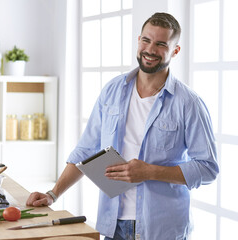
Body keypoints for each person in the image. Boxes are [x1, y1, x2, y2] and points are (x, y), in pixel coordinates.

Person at [26, 12, 219, 240]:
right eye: (146, 40)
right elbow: (87, 150)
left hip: (162, 231)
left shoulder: (189, 103)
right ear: (138, 40)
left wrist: (149, 172)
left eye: (160, 44)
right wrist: (53, 194)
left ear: (175, 51)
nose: (150, 49)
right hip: (112, 225)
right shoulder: (113, 90)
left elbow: (207, 168)